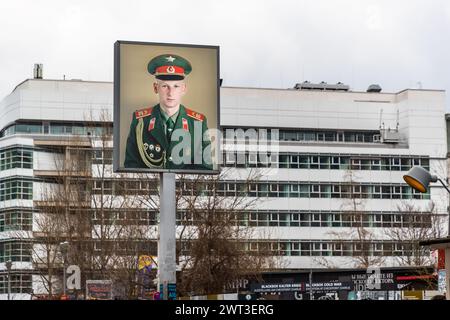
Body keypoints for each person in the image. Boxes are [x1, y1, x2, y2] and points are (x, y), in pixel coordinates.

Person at [124, 53, 212, 170]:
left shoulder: (197, 123)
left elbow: (204, 169)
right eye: (165, 86)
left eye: (176, 86)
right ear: (156, 88)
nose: (170, 93)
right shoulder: (140, 121)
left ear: (183, 88)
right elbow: (131, 166)